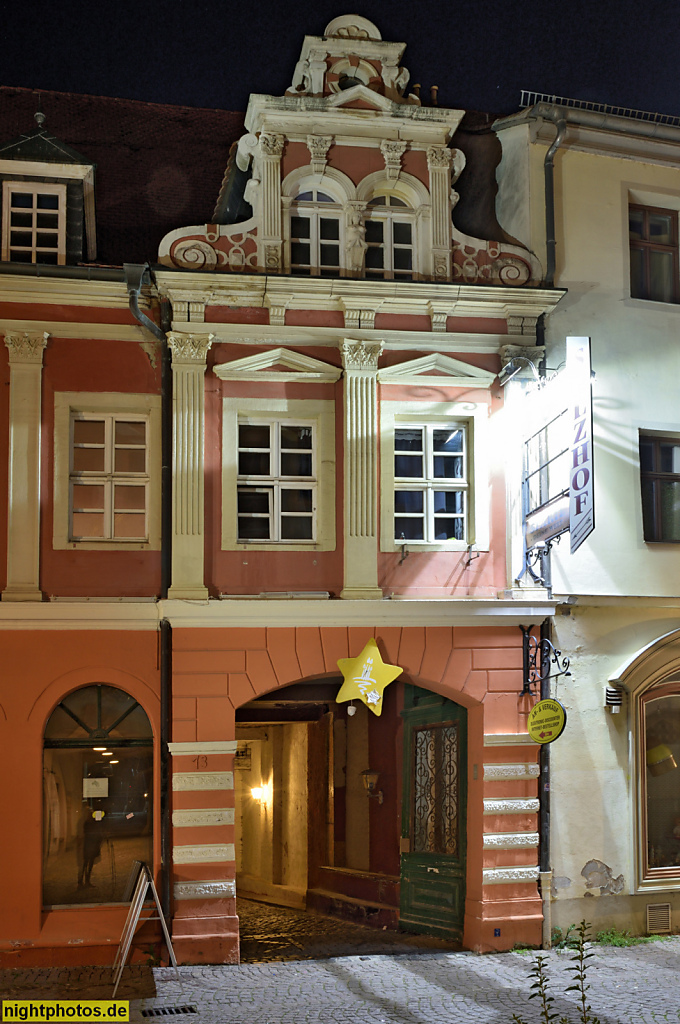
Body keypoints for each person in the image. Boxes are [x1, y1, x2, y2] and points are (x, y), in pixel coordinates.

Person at [77, 804, 104, 888]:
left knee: (90, 864)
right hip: (88, 846)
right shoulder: (86, 823)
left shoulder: (93, 822)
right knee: (85, 864)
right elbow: (87, 834)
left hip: (93, 846)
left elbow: (97, 833)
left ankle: (87, 881)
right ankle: (81, 881)